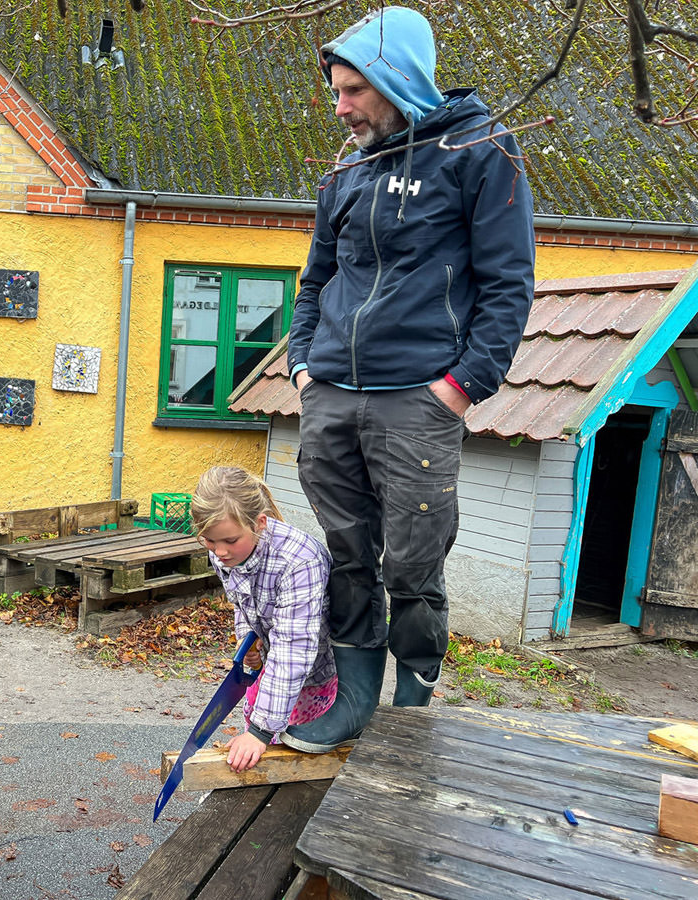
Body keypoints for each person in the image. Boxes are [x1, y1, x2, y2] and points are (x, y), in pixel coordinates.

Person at [284, 6, 535, 753]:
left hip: (418, 401)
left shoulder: (483, 151)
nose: (340, 106)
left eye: (354, 90)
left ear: (398, 81)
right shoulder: (347, 166)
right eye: (335, 90)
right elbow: (314, 280)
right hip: (331, 394)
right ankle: (353, 700)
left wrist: (459, 387)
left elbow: (509, 286)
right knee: (347, 552)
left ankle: (410, 706)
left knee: (415, 560)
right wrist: (303, 368)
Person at [190, 466, 336, 773]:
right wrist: (249, 636)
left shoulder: (299, 562)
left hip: (316, 675)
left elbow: (294, 648)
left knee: (297, 761)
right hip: (274, 671)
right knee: (257, 755)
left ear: (260, 523)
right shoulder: (223, 549)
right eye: (209, 541)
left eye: (229, 540)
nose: (219, 552)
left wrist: (260, 731)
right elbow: (241, 600)